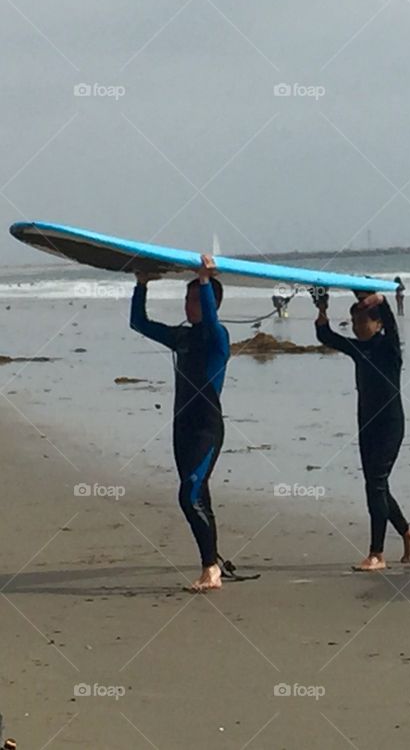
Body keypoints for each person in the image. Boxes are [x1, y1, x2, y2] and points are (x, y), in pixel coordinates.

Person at [130, 254, 230, 592]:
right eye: (185, 299)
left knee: (189, 494)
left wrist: (203, 280)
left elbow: (211, 320)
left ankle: (210, 570)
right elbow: (139, 324)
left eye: (194, 300)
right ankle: (212, 562)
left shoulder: (218, 339)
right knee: (198, 493)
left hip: (207, 428)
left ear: (211, 302)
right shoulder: (181, 338)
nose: (188, 306)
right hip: (182, 428)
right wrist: (141, 285)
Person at [313, 288, 410, 571]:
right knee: (376, 485)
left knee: (376, 484)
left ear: (378, 323)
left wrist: (380, 302)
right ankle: (407, 531)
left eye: (363, 321)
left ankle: (377, 554)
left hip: (390, 425)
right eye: (355, 322)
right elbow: (326, 337)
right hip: (366, 424)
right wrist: (322, 309)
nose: (358, 327)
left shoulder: (390, 348)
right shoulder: (358, 349)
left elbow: (392, 324)